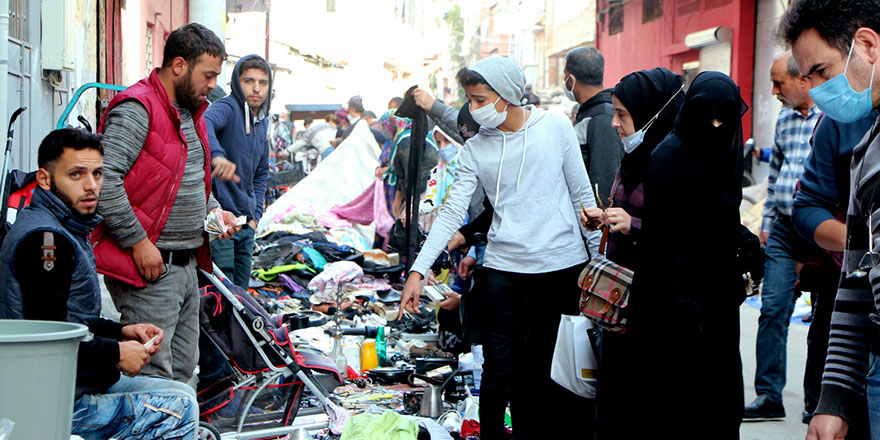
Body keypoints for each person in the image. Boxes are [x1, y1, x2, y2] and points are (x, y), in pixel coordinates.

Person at [399, 56, 600, 440]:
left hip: (560, 270)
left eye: (479, 99)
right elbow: (452, 211)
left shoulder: (556, 127)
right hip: (503, 271)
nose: (473, 109)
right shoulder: (475, 149)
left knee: (546, 375)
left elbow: (582, 197)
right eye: (470, 100)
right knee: (496, 374)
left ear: (508, 95)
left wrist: (598, 264)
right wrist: (417, 271)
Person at [0, 129, 198, 440]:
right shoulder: (46, 241)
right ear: (44, 178)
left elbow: (70, 319)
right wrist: (115, 353)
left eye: (98, 173)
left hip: (72, 384)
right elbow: (49, 341)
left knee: (180, 393)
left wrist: (120, 331)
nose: (91, 186)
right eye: (76, 174)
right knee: (177, 408)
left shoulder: (65, 228)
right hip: (53, 401)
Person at [96, 22, 240, 382]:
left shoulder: (192, 112)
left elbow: (191, 182)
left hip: (186, 264)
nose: (213, 85)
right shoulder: (137, 109)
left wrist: (212, 215)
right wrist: (138, 243)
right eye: (208, 75)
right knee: (153, 376)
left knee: (181, 371)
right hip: (150, 268)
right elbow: (103, 180)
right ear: (179, 65)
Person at [781, 1, 880, 438]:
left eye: (821, 71)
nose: (816, 88)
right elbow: (858, 282)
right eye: (808, 76)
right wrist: (834, 397)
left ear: (866, 45)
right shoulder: (863, 150)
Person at [633, 71, 748, 438]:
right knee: (679, 408)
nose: (714, 126)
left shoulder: (728, 153)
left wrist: (744, 243)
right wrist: (685, 302)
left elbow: (720, 218)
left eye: (723, 118)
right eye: (706, 117)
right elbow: (664, 239)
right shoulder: (666, 158)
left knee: (721, 405)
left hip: (720, 299)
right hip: (674, 302)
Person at [580, 67, 685, 438]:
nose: (614, 124)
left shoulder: (675, 162)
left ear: (652, 111)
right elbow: (628, 209)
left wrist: (636, 225)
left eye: (622, 114)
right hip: (621, 303)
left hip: (657, 305)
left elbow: (688, 234)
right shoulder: (634, 158)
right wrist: (606, 219)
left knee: (645, 406)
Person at [746, 51, 823, 421]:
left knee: (824, 318)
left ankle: (818, 401)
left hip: (822, 232)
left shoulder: (831, 118)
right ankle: (769, 396)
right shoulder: (785, 119)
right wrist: (765, 223)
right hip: (782, 230)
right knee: (773, 309)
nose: (774, 90)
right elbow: (775, 170)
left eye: (779, 83)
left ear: (804, 81)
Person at [792, 110, 876, 434]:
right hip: (841, 277)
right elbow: (807, 206)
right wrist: (832, 402)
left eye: (821, 71)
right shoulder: (842, 124)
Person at [204, 54, 272, 290]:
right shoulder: (227, 107)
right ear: (236, 82)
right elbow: (204, 122)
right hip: (218, 219)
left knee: (241, 295)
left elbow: (262, 173)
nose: (256, 89)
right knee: (220, 293)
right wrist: (216, 155)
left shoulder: (262, 121)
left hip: (246, 224)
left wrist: (256, 216)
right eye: (248, 81)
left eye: (262, 83)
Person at [563, 47, 625, 202]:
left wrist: (596, 222)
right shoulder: (591, 112)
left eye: (564, 78)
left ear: (571, 80)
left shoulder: (601, 118)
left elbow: (604, 181)